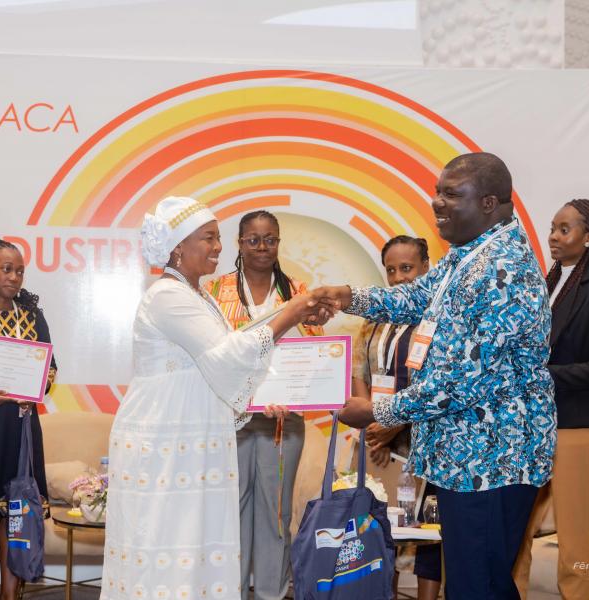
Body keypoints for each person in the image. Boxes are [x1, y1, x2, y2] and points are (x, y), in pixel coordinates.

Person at [314, 152, 557, 599]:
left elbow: (461, 381)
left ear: (488, 203)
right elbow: (415, 297)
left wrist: (377, 411)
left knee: (478, 586)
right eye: (437, 192)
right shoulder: (469, 255)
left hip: (491, 459)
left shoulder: (503, 270)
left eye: (451, 194)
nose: (437, 203)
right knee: (472, 582)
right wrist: (347, 296)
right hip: (466, 457)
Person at [100, 196, 331, 600]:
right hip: (167, 440)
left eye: (218, 237)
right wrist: (290, 313)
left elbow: (232, 351)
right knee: (168, 543)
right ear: (178, 246)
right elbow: (229, 355)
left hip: (192, 438)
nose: (218, 247)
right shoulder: (167, 296)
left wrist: (270, 387)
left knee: (194, 545)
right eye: (208, 238)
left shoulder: (198, 295)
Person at [205, 210, 323, 600]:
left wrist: (297, 394)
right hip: (231, 416)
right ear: (239, 244)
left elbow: (313, 352)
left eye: (270, 239)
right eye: (253, 240)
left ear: (278, 242)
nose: (262, 247)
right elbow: (212, 353)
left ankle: (272, 592)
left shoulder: (300, 292)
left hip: (283, 422)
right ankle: (232, 592)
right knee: (232, 510)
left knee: (276, 512)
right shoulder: (214, 290)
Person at [513, 199, 589, 599]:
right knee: (515, 532)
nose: (553, 237)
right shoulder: (545, 286)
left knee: (575, 540)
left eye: (565, 229)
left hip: (578, 427)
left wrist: (544, 375)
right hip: (533, 427)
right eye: (552, 228)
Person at [350, 235, 441, 600]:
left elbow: (437, 382)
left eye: (407, 268)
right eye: (391, 270)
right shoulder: (375, 318)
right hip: (378, 440)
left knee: (426, 529)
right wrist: (372, 426)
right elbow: (360, 371)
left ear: (426, 268)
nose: (399, 277)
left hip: (424, 438)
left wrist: (393, 424)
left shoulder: (438, 318)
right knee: (381, 527)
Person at [0, 239, 58, 600]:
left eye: (19, 270)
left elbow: (50, 368)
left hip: (20, 428)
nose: (14, 277)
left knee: (14, 512)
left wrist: (34, 387)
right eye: (6, 269)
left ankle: (10, 594)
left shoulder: (31, 315)